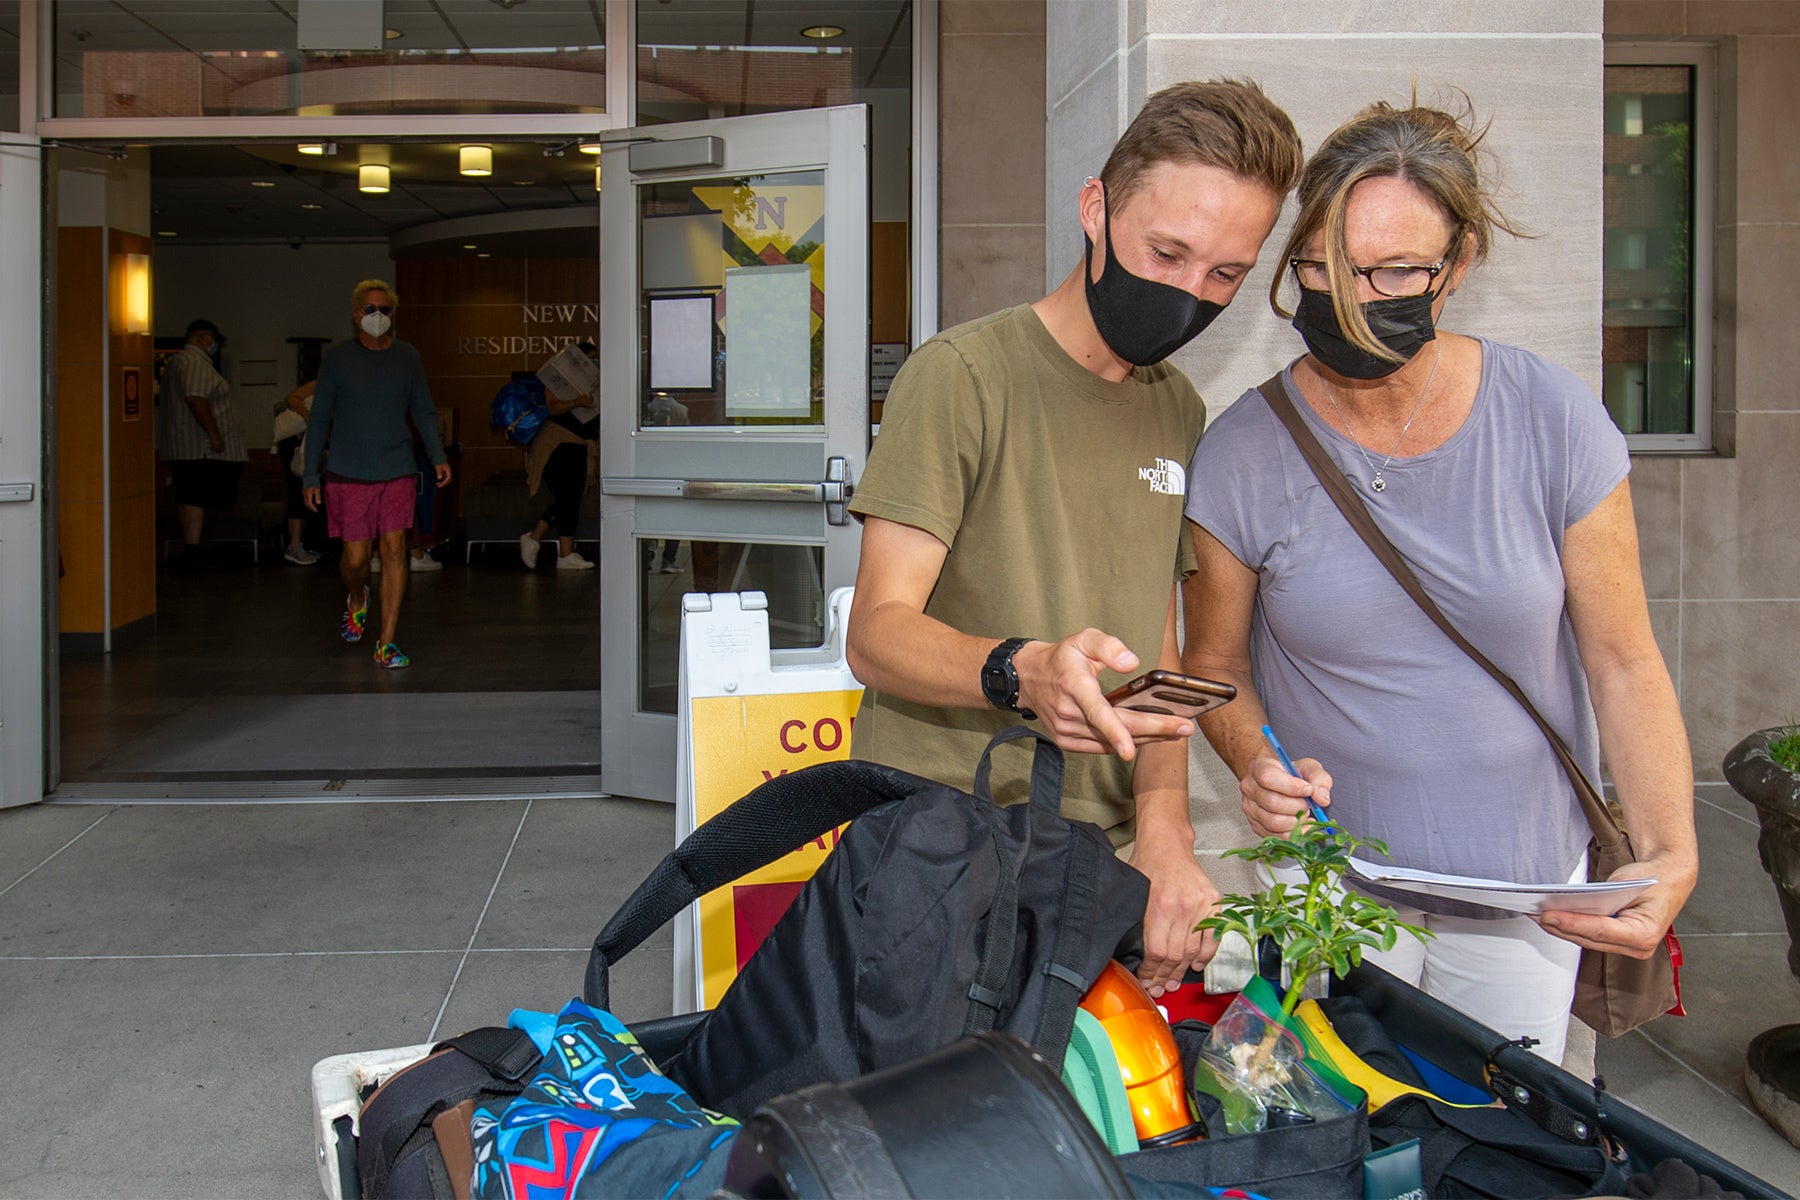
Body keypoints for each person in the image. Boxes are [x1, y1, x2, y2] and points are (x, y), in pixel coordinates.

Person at [1179, 98, 1697, 1063]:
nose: (1355, 298)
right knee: (1333, 1136)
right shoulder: (1243, 453)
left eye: (1395, 272)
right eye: (1325, 271)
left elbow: (1623, 662)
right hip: (1331, 890)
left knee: (1502, 1142)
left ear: (1455, 268)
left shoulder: (1552, 420)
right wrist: (1257, 762)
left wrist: (1674, 850)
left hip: (1524, 893)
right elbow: (1216, 667)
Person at [844, 79, 1304, 998]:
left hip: (1096, 852)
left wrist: (1167, 831)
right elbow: (876, 634)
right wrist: (1022, 671)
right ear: (1096, 208)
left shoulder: (1178, 408)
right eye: (1166, 252)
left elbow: (1160, 651)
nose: (1187, 295)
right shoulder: (963, 375)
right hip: (943, 837)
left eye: (1225, 276)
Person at [303, 279, 451, 668]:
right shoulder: (337, 358)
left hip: (397, 467)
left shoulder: (408, 357)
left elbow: (423, 408)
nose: (378, 317)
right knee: (355, 560)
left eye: (385, 310)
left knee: (394, 551)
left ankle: (386, 641)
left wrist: (437, 454)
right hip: (348, 470)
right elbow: (318, 419)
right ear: (356, 314)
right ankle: (357, 598)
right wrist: (310, 475)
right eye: (371, 309)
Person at [159, 318, 248, 569]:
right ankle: (193, 548)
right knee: (194, 495)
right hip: (198, 448)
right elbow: (196, 399)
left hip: (191, 446)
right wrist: (215, 435)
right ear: (201, 338)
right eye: (214, 340)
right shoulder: (192, 363)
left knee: (192, 495)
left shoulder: (183, 363)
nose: (215, 346)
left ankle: (194, 546)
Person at [520, 341, 600, 572]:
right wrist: (576, 401)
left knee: (571, 499)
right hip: (556, 443)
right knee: (569, 498)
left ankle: (560, 550)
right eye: (591, 357)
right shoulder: (557, 377)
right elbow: (552, 407)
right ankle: (541, 541)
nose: (595, 362)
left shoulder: (598, 383)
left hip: (580, 445)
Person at [273, 380, 321, 565]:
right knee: (297, 491)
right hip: (297, 444)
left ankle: (308, 544)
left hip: (312, 444)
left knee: (309, 495)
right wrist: (309, 417)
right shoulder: (322, 382)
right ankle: (294, 545)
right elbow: (292, 398)